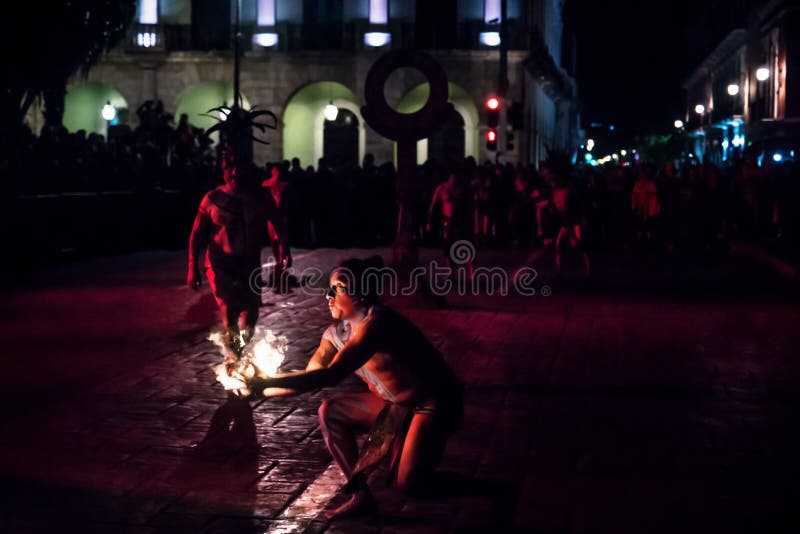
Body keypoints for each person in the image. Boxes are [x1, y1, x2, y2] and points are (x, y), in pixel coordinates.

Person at [245, 257, 463, 520]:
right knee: (330, 411)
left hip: (433, 402)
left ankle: (481, 488)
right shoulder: (335, 334)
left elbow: (330, 375)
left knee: (410, 484)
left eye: (337, 288)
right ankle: (361, 497)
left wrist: (266, 383)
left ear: (359, 293)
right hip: (396, 405)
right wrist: (258, 390)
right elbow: (310, 375)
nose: (328, 296)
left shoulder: (377, 322)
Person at [187, 150, 290, 365]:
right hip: (219, 264)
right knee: (229, 310)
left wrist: (283, 253)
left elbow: (278, 226)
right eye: (229, 168)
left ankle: (238, 348)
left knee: (251, 316)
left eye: (239, 168)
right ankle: (235, 356)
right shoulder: (212, 198)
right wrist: (192, 266)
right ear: (223, 170)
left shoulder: (260, 198)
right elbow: (197, 234)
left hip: (248, 264)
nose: (234, 173)